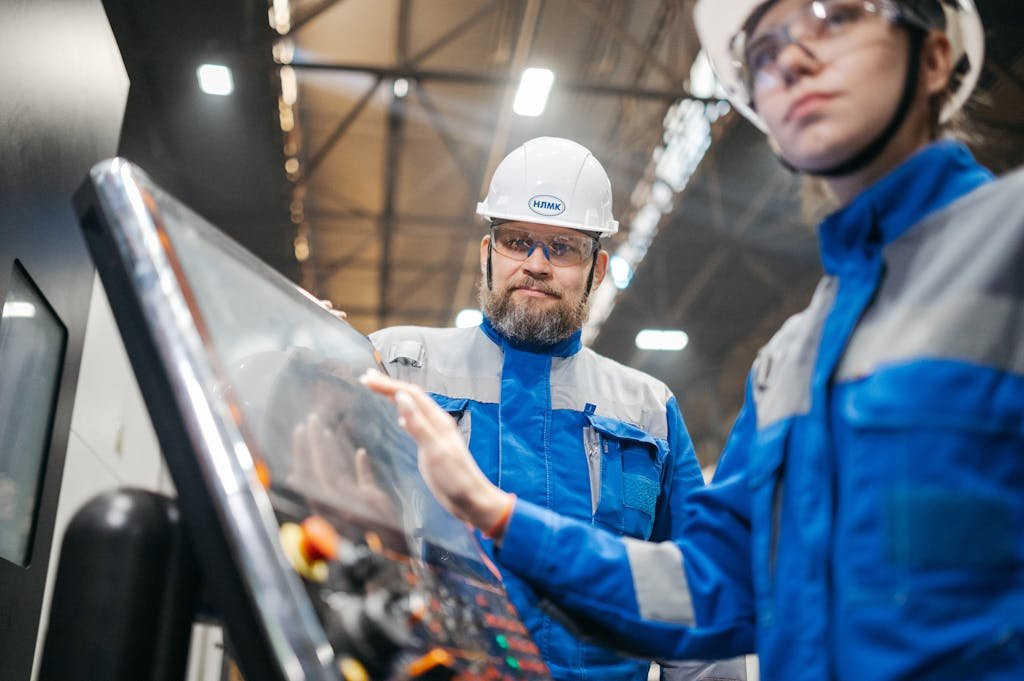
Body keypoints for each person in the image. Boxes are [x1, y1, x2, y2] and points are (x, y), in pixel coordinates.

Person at [363, 1, 1024, 679]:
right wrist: (494, 513)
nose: (792, 55)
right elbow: (708, 589)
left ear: (936, 56)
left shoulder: (1010, 246)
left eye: (838, 14)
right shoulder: (790, 363)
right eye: (763, 49)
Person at [369, 136, 742, 681]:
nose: (537, 265)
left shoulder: (647, 410)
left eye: (563, 247)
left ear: (598, 268)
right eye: (517, 241)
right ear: (487, 253)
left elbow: (697, 607)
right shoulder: (397, 368)